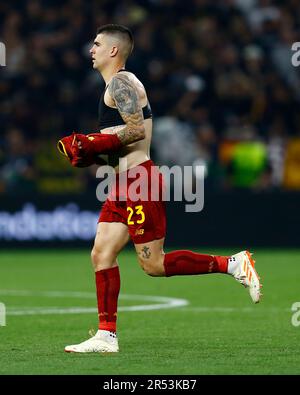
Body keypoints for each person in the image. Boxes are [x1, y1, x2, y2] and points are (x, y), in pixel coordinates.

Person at [57, 24, 262, 353]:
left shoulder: (121, 82)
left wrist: (95, 141)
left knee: (153, 265)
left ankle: (233, 264)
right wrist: (94, 154)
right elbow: (123, 143)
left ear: (113, 50)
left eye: (96, 44)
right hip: (124, 181)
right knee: (102, 253)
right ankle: (106, 336)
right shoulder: (115, 85)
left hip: (139, 182)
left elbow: (136, 131)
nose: (91, 49)